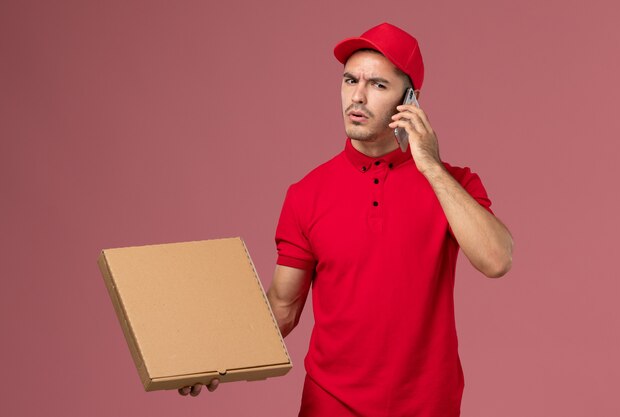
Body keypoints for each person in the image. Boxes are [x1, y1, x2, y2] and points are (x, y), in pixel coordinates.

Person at [180, 22, 513, 417]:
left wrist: (430, 167)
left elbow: (497, 260)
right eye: (350, 80)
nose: (357, 96)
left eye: (377, 85)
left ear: (411, 100)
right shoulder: (306, 194)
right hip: (330, 406)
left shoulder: (454, 184)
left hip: (428, 407)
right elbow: (283, 307)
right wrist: (217, 356)